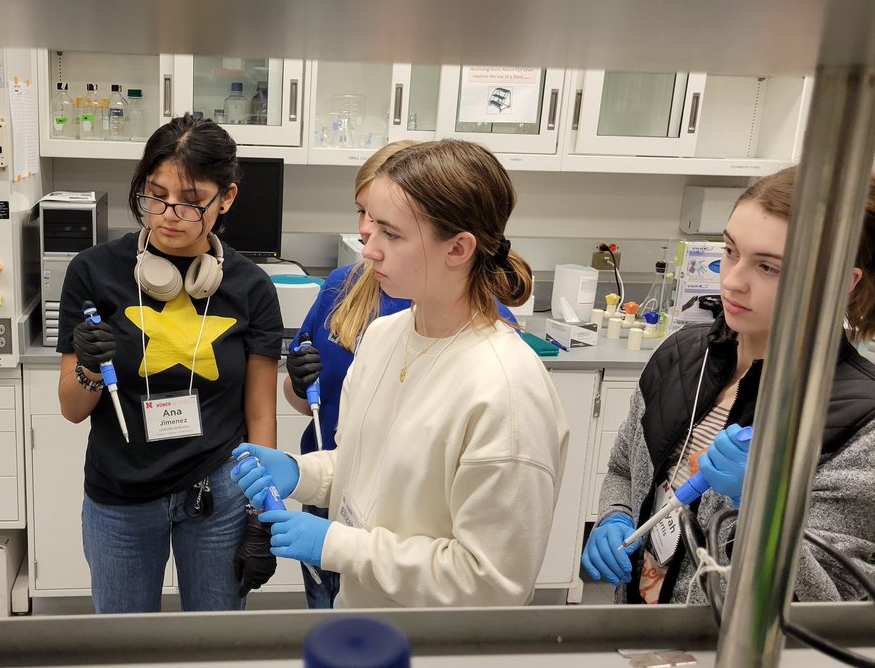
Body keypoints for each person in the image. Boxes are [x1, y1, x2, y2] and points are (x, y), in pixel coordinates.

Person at [233, 139, 570, 608]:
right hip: (360, 621)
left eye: (390, 234)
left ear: (458, 248)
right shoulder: (386, 336)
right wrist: (301, 472)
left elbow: (491, 583)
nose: (368, 249)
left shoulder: (506, 391)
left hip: (438, 649)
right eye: (368, 228)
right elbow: (366, 471)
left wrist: (338, 545)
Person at [582, 166, 875, 604]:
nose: (733, 279)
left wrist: (764, 506)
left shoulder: (860, 424)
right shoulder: (682, 354)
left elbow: (835, 602)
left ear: (841, 285)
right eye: (731, 250)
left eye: (769, 267)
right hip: (643, 628)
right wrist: (614, 515)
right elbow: (625, 467)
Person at [57, 114, 283, 613]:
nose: (167, 213)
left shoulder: (251, 287)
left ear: (226, 199)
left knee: (214, 647)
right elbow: (73, 410)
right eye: (154, 195)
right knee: (124, 649)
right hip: (120, 494)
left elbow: (261, 415)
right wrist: (91, 368)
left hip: (218, 492)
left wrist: (259, 512)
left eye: (190, 200)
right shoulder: (93, 272)